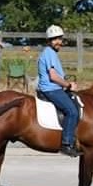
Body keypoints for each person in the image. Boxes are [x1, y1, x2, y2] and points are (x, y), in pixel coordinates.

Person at [37, 25, 81, 157]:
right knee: (72, 111)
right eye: (54, 39)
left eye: (59, 39)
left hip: (55, 88)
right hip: (50, 89)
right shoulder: (49, 53)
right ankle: (66, 144)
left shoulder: (51, 53)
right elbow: (53, 76)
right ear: (49, 41)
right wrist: (68, 85)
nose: (58, 42)